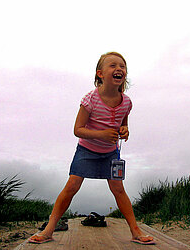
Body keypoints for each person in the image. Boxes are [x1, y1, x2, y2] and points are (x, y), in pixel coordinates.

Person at [28, 52, 155, 245]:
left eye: (122, 66)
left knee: (119, 190)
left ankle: (136, 231)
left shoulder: (126, 102)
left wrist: (125, 130)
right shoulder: (90, 100)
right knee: (71, 187)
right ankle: (48, 230)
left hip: (111, 153)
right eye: (112, 65)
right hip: (86, 151)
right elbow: (77, 130)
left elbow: (124, 122)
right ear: (100, 74)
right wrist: (102, 134)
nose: (119, 68)